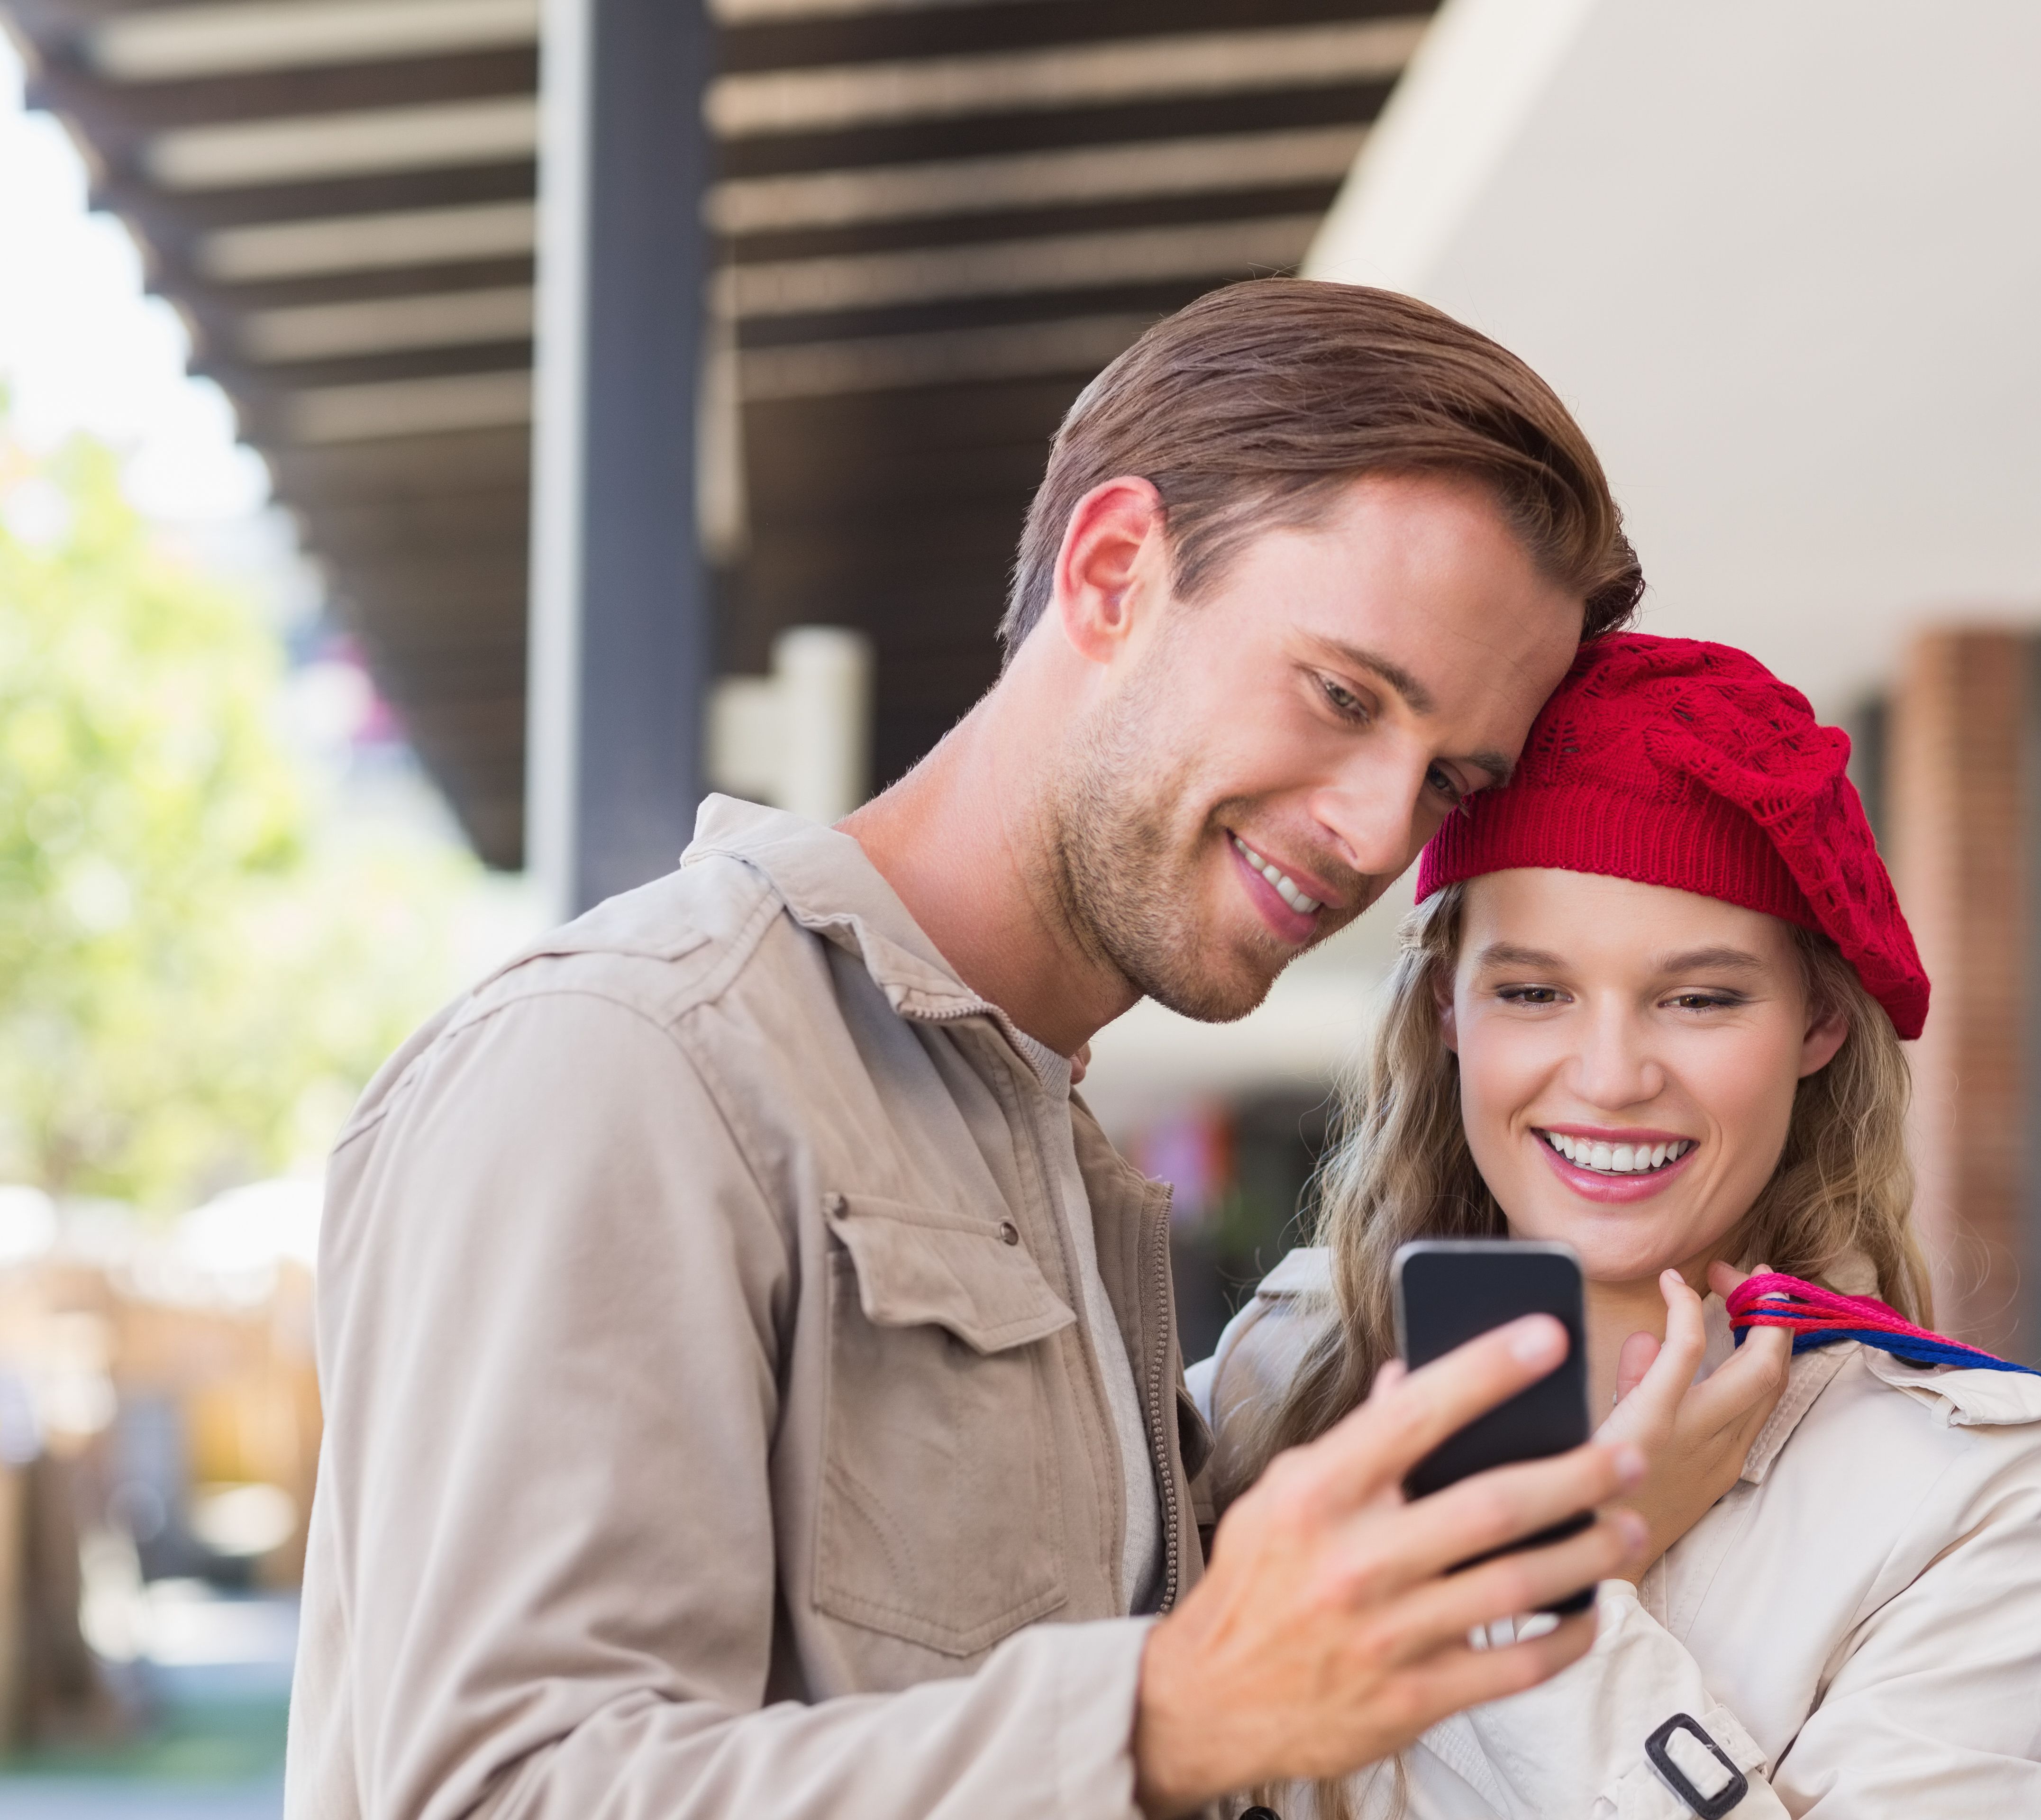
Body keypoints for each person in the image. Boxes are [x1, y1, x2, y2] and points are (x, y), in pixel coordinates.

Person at [289, 280, 1660, 1820]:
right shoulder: (636, 1061)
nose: (1374, 828)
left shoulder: (1054, 1161)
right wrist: (1161, 1721)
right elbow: (503, 1797)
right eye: (1344, 695)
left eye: (1448, 778)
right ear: (1115, 569)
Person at [1193, 634, 2041, 1818]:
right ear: (1449, 1012)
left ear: (1819, 1028)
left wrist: (1549, 1596)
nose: (1611, 1076)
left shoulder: (1984, 1496)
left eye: (1700, 998)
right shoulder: (1275, 1373)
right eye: (1533, 992)